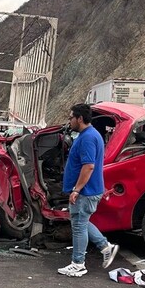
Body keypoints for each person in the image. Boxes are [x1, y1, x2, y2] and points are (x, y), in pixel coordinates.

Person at [58, 104, 119, 277]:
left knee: (78, 225)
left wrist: (77, 189)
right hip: (90, 189)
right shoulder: (90, 135)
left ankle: (78, 264)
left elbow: (89, 166)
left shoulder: (87, 138)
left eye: (71, 117)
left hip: (86, 191)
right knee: (81, 221)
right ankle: (105, 247)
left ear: (79, 118)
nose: (69, 121)